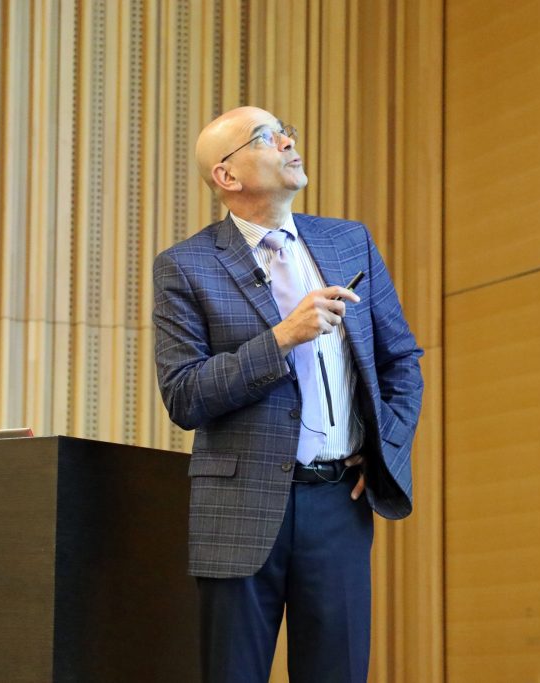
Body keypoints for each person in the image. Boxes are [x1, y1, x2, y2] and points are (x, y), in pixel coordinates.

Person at [152, 106, 424, 682]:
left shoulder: (349, 242)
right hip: (238, 507)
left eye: (285, 132)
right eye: (265, 138)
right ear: (227, 176)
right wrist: (280, 339)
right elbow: (183, 394)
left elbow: (402, 361)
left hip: (337, 503)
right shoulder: (186, 266)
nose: (286, 142)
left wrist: (382, 454)